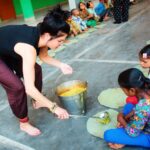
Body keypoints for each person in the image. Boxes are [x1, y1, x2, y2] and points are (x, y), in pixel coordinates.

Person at [0, 6, 73, 136]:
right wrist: (54, 108)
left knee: (36, 69)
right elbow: (29, 89)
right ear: (48, 36)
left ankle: (37, 100)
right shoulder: (29, 49)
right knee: (16, 87)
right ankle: (24, 123)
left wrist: (61, 65)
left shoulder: (42, 36)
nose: (61, 44)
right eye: (60, 40)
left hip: (8, 49)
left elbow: (44, 56)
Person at [104, 68, 150, 149]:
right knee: (130, 105)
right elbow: (143, 109)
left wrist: (122, 121)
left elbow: (134, 133)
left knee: (108, 135)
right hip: (145, 115)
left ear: (132, 90)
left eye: (123, 90)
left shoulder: (142, 106)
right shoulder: (146, 88)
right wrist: (129, 115)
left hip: (147, 135)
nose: (123, 92)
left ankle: (126, 140)